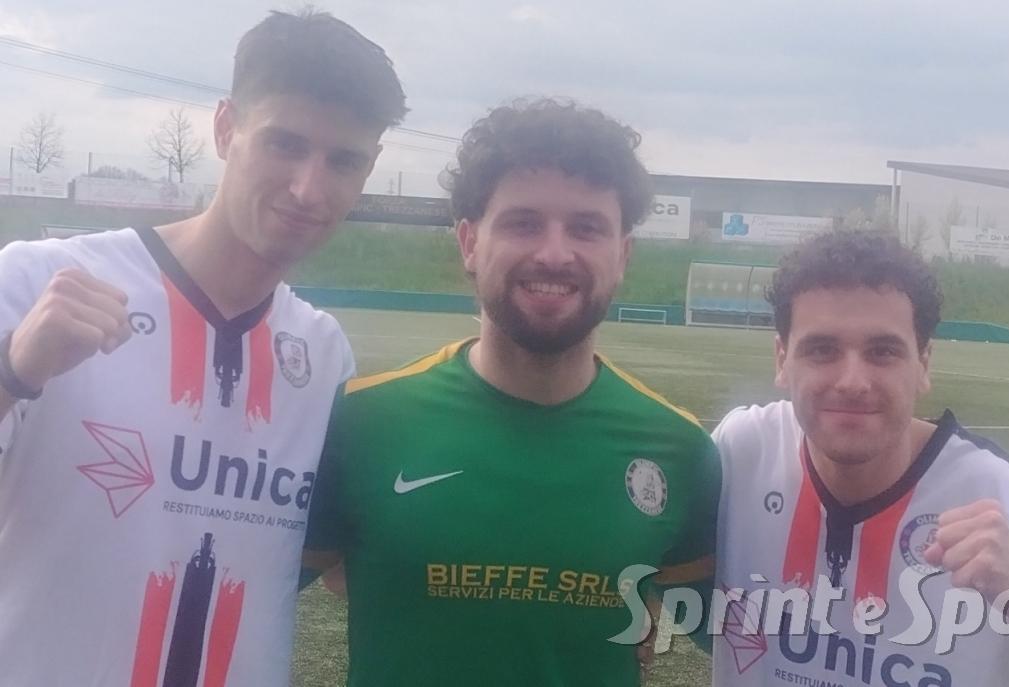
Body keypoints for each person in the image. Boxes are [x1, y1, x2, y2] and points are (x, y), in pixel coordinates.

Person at [0, 9, 406, 685]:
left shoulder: (323, 353)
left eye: (343, 160)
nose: (309, 188)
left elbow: (345, 562)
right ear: (225, 129)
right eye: (284, 144)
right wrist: (14, 369)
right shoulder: (37, 281)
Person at [303, 98, 720, 686]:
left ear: (622, 254)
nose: (554, 252)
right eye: (524, 222)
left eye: (587, 227)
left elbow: (749, 630)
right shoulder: (360, 421)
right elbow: (227, 585)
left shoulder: (680, 447)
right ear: (470, 242)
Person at [710, 230, 1009, 686]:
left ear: (923, 365)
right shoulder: (741, 453)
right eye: (822, 350)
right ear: (782, 359)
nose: (853, 380)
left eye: (883, 351)